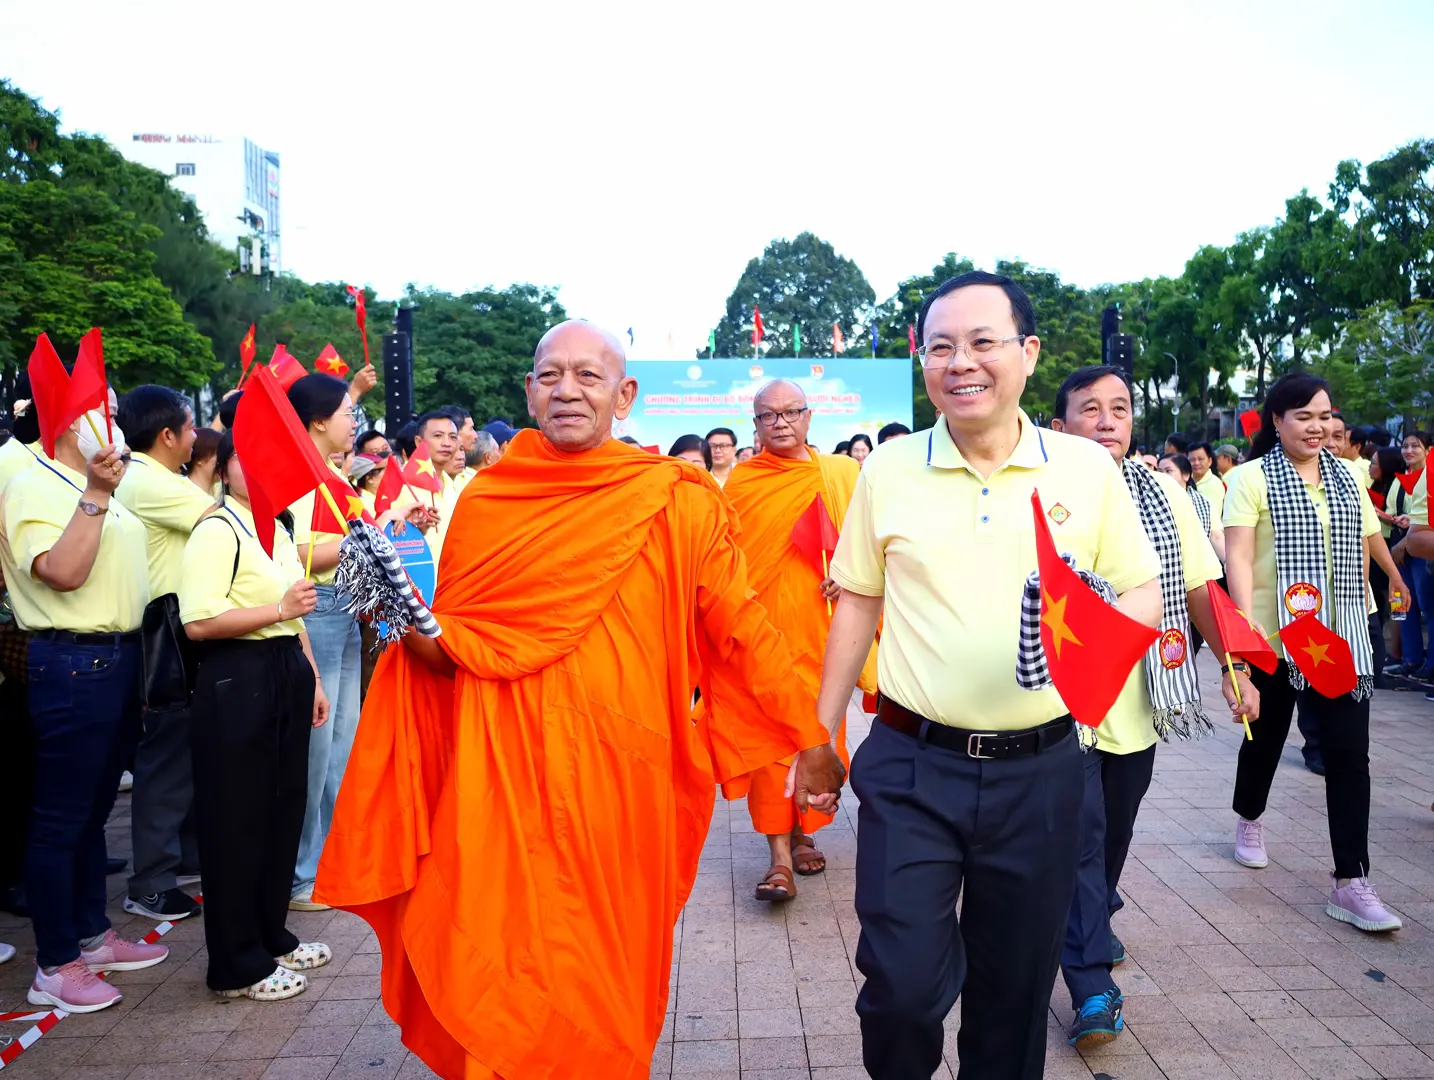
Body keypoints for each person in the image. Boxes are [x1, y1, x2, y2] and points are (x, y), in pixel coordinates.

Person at [314, 320, 845, 1079]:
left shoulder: (675, 497)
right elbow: (455, 656)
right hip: (505, 776)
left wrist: (811, 731)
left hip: (624, 777)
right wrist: (399, 612)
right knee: (501, 952)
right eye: (551, 375)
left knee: (607, 968)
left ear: (624, 395)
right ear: (528, 392)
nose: (568, 389)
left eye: (589, 377)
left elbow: (741, 628)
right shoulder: (491, 503)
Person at [814, 272, 1162, 1080]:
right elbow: (858, 601)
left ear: (1028, 353)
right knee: (899, 991)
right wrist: (819, 731)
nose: (960, 363)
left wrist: (1102, 661)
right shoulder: (890, 470)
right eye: (940, 347)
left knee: (1011, 1002)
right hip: (911, 764)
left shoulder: (1083, 469)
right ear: (921, 359)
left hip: (1042, 771)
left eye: (981, 342)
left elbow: (1142, 585)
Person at [1050, 366, 1256, 1047]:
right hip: (1058, 702)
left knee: (1111, 834)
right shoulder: (1037, 490)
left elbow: (1200, 587)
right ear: (1059, 426)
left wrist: (1234, 668)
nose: (1108, 420)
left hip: (1139, 698)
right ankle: (1091, 986)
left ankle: (1085, 920)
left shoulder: (1165, 493)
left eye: (1120, 408)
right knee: (1079, 835)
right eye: (1090, 409)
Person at [0, 395, 168, 1012]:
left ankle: (90, 936)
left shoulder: (93, 480)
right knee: (58, 819)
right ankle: (54, 964)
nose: (117, 426)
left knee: (93, 812)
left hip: (119, 658)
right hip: (73, 661)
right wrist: (96, 493)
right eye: (106, 411)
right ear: (73, 421)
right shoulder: (30, 482)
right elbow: (63, 572)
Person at [1223, 372, 1405, 932]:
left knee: (1349, 755)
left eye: (1324, 416)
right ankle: (1250, 817)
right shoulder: (1251, 480)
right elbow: (1239, 559)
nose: (1318, 426)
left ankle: (1350, 881)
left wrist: (1393, 577)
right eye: (1303, 416)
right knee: (1267, 741)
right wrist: (1241, 645)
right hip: (1276, 638)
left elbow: (1370, 533)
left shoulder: (1350, 476)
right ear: (1276, 421)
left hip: (1341, 634)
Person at [179, 432, 333, 1001]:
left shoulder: (278, 527)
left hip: (284, 667)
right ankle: (236, 963)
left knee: (281, 809)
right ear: (224, 467)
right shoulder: (217, 529)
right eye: (249, 459)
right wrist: (278, 610)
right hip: (236, 676)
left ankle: (270, 933)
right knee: (237, 821)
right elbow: (197, 623)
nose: (265, 470)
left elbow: (297, 617)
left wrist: (311, 675)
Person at [719, 380, 877, 903]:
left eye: (790, 412)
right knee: (769, 739)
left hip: (822, 630)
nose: (781, 422)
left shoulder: (840, 474)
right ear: (756, 424)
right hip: (761, 633)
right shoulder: (741, 482)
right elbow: (725, 558)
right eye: (769, 416)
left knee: (817, 731)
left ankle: (805, 829)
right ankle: (778, 857)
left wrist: (849, 574)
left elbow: (869, 542)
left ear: (809, 417)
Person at [114, 385, 218, 923]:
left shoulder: (157, 478)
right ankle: (151, 880)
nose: (198, 436)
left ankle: (183, 858)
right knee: (167, 758)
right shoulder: (149, 481)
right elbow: (226, 522)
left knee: (185, 751)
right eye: (191, 426)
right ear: (168, 435)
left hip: (177, 628)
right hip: (164, 632)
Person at [285, 373, 362, 913]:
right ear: (317, 421)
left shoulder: (330, 474)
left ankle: (331, 862)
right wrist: (366, 537)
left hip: (347, 609)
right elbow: (293, 553)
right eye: (346, 412)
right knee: (316, 750)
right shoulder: (294, 477)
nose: (353, 421)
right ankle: (299, 875)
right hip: (318, 610)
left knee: (342, 747)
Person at [1388, 431, 1431, 683]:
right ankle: (1410, 660)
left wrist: (1405, 543)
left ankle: (1429, 665)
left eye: (1416, 446)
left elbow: (1425, 520)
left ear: (1428, 451)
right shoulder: (1400, 479)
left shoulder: (1429, 477)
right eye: (1405, 446)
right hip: (1398, 548)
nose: (1409, 450)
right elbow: (1399, 512)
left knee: (1426, 606)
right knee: (1402, 607)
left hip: (1418, 550)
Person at [1157, 453, 1225, 562]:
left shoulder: (1204, 504)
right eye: (1159, 472)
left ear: (1186, 475)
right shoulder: (1151, 501)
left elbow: (1216, 536)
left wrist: (1228, 562)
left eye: (1168, 471)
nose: (1162, 476)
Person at [1188, 442, 1225, 519]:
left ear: (1209, 461)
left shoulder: (1214, 484)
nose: (1196, 463)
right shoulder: (1185, 480)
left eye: (1200, 459)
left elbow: (1212, 517)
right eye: (1192, 460)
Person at [188, 428, 222, 495]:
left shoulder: (217, 491)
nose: (223, 460)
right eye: (219, 454)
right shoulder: (187, 494)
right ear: (199, 459)